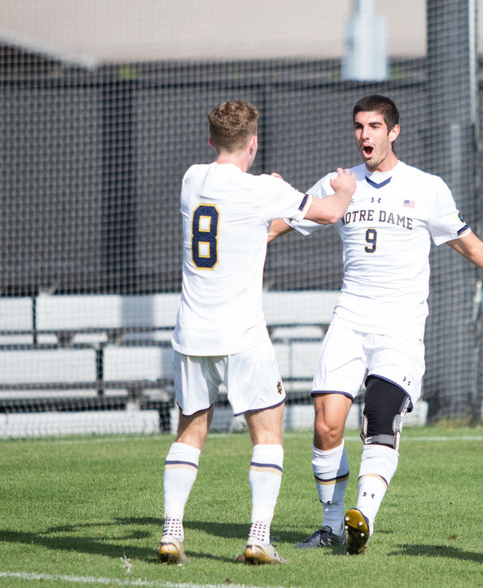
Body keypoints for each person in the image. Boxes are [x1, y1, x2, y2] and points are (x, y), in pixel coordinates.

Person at [269, 94, 483, 555]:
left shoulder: (427, 188)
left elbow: (473, 248)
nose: (366, 135)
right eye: (360, 126)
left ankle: (362, 514)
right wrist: (253, 219)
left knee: (379, 415)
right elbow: (283, 221)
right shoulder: (338, 183)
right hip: (349, 319)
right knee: (326, 425)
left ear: (394, 132)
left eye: (375, 126)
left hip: (399, 327)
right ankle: (330, 526)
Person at [158, 100, 356, 566]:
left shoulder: (191, 179)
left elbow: (244, 216)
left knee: (189, 433)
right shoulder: (261, 191)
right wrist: (343, 189)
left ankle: (171, 530)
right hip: (242, 335)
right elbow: (327, 213)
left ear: (210, 142)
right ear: (253, 143)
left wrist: (269, 188)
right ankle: (259, 536)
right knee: (268, 434)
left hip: (190, 334)